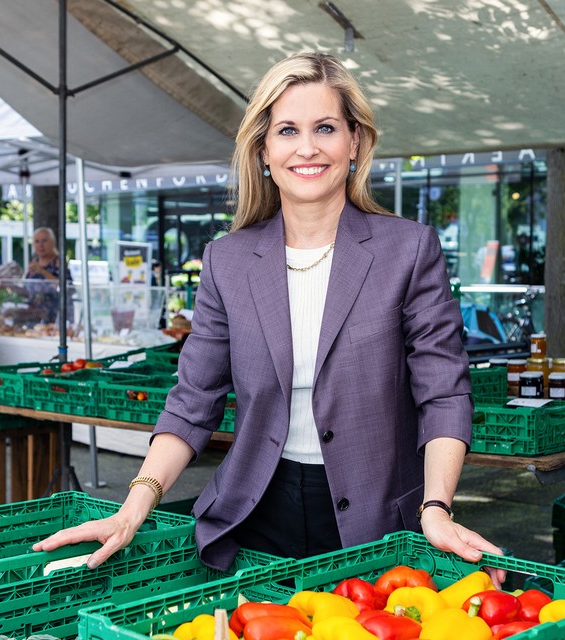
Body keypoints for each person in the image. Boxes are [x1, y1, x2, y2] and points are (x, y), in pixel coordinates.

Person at [34, 52, 502, 579]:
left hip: (377, 519)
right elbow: (193, 400)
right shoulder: (227, 260)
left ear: (355, 142)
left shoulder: (409, 250)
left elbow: (443, 391)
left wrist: (436, 507)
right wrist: (134, 504)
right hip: (254, 512)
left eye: (325, 127)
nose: (307, 148)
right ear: (263, 150)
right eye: (287, 130)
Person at [24, 227, 65, 324]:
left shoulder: (59, 263)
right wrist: (11, 286)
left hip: (54, 318)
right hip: (33, 317)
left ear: (53, 242)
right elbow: (26, 291)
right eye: (37, 241)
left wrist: (42, 271)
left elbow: (64, 287)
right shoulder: (34, 263)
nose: (41, 245)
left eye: (44, 241)